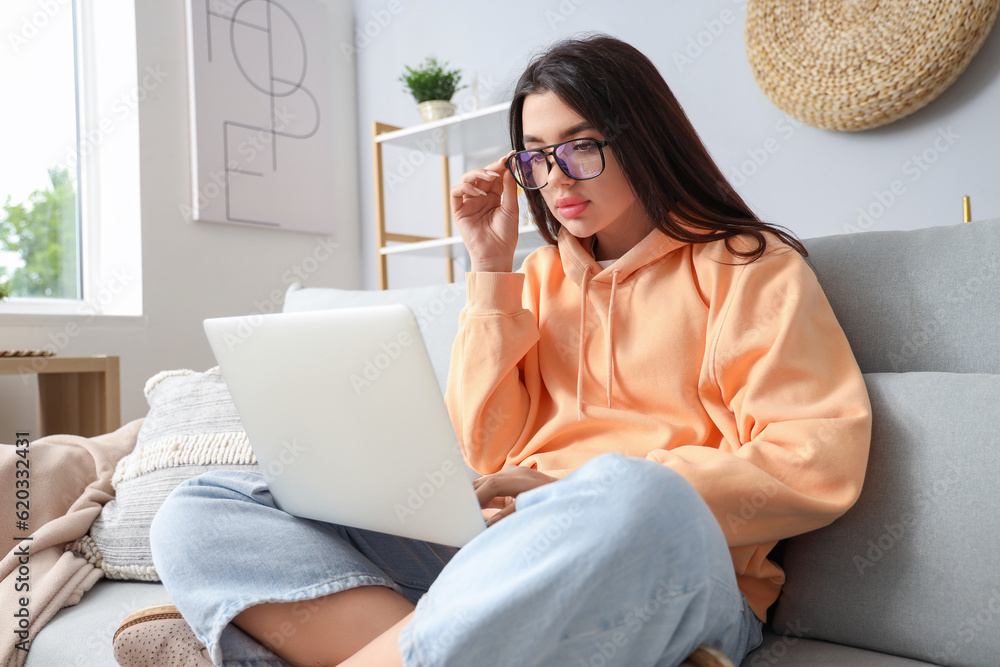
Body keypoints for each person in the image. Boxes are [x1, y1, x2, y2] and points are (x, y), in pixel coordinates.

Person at [115, 35, 871, 667]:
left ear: (644, 139)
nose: (556, 180)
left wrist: (564, 486)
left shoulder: (750, 265)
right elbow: (477, 450)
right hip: (493, 555)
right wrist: (489, 271)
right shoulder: (536, 278)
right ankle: (440, 641)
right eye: (535, 156)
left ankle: (348, 642)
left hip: (655, 561)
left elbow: (814, 461)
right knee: (200, 509)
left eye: (579, 148)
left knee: (637, 493)